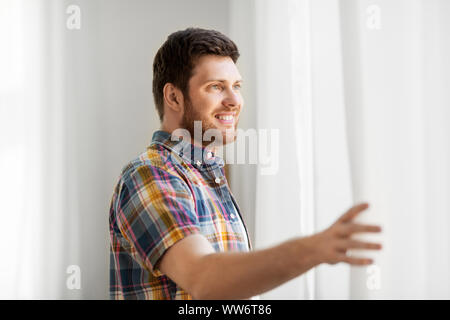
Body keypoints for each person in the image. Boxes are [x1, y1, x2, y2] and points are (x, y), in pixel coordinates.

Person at [109, 27, 383, 300]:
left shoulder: (207, 176)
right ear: (174, 97)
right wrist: (313, 249)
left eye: (236, 86)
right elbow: (205, 280)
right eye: (216, 87)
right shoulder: (151, 174)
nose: (234, 101)